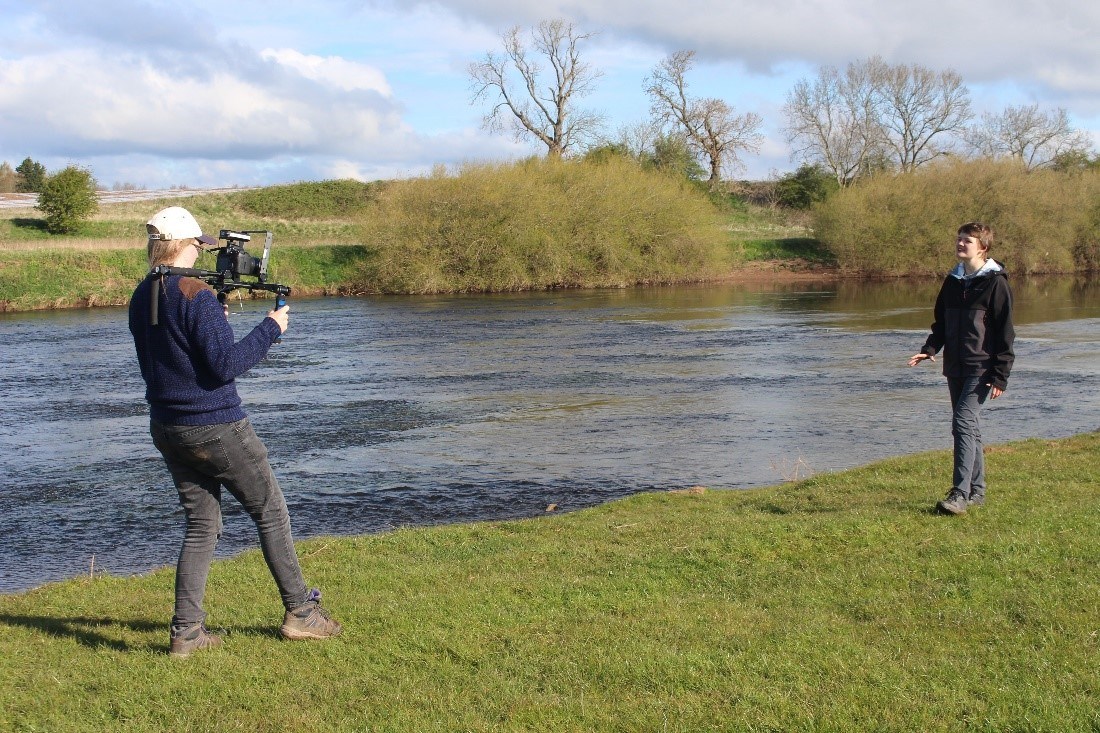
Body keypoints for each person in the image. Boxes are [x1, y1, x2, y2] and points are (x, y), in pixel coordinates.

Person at [128, 206, 341, 657]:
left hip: (167, 426)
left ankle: (186, 634)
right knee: (271, 511)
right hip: (215, 424)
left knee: (201, 525)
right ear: (187, 246)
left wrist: (217, 320)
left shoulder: (143, 293)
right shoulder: (196, 295)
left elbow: (181, 354)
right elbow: (224, 366)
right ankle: (301, 613)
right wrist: (271, 328)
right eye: (199, 245)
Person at [908, 221, 1015, 515]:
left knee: (963, 423)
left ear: (983, 247)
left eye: (967, 240)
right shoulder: (952, 281)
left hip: (982, 367)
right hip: (954, 366)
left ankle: (959, 493)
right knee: (968, 428)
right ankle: (976, 493)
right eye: (958, 239)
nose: (960, 244)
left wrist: (1000, 375)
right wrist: (929, 349)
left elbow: (1006, 333)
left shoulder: (996, 282)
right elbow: (941, 324)